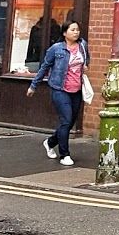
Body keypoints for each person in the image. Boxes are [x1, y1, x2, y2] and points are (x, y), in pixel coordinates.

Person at [27, 20, 90, 166]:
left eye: (77, 30)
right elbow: (44, 67)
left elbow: (87, 60)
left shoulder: (82, 45)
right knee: (66, 120)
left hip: (77, 89)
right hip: (59, 89)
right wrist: (33, 85)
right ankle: (64, 155)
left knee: (69, 123)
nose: (76, 32)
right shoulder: (56, 49)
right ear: (64, 33)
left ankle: (49, 142)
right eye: (73, 30)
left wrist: (85, 66)